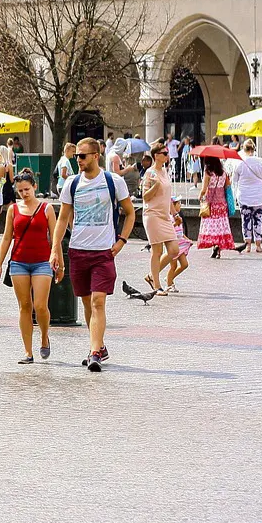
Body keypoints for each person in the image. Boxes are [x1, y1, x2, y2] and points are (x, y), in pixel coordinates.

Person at [50, 138, 137, 372]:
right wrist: (55, 249)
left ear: (96, 156)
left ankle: (95, 352)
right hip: (79, 251)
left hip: (103, 252)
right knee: (88, 304)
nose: (78, 160)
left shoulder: (113, 181)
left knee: (99, 302)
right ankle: (98, 345)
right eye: (76, 156)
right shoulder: (72, 183)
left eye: (83, 156)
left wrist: (121, 241)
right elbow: (62, 218)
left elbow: (130, 214)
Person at [0, 170, 59, 364]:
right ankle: (28, 352)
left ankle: (44, 337)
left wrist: (59, 262)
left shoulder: (47, 209)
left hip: (42, 262)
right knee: (24, 307)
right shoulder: (13, 209)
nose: (24, 193)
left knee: (40, 306)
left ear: (35, 187)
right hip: (18, 262)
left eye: (27, 189)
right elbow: (7, 237)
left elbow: (55, 237)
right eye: (20, 190)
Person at [141, 142, 180, 295]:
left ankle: (152, 275)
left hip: (165, 216)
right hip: (152, 215)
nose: (167, 156)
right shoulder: (150, 173)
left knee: (174, 249)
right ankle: (157, 286)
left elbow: (168, 196)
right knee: (157, 251)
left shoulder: (164, 171)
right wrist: (155, 186)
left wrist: (175, 214)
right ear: (156, 156)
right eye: (164, 153)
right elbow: (145, 197)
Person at [232, 139, 262, 253]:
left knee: (246, 220)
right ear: (254, 149)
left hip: (244, 195)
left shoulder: (239, 162)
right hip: (259, 195)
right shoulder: (260, 161)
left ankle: (247, 245)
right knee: (258, 219)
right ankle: (258, 245)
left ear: (244, 149)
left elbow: (234, 179)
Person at [197, 156, 234, 259]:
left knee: (212, 226)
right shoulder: (223, 172)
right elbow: (228, 187)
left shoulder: (208, 172)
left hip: (211, 204)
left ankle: (214, 246)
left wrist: (199, 196)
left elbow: (204, 189)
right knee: (220, 226)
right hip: (222, 203)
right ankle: (219, 247)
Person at [166, 208, 191, 291]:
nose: (180, 206)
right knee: (173, 266)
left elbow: (181, 232)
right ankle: (169, 284)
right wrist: (176, 223)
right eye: (178, 203)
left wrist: (187, 239)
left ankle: (169, 278)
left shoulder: (178, 217)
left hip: (181, 245)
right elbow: (168, 230)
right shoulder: (168, 217)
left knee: (184, 264)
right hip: (173, 244)